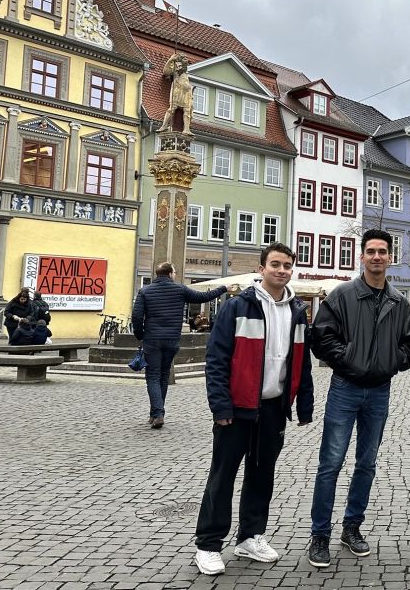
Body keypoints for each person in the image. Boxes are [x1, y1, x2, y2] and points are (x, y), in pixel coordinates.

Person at [193, 242, 315, 576]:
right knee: (223, 476)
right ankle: (208, 544)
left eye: (287, 265)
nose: (281, 270)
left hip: (273, 406)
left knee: (262, 475)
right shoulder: (237, 307)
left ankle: (250, 536)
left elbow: (301, 362)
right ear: (261, 269)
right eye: (275, 264)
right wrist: (220, 405)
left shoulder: (297, 311)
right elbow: (216, 360)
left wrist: (304, 404)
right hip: (237, 407)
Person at [307, 229, 410, 569]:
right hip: (344, 388)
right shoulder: (342, 295)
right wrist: (349, 359)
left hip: (379, 391)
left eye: (382, 252)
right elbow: (322, 336)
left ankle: (352, 527)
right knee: (330, 463)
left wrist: (392, 361)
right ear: (361, 256)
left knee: (367, 464)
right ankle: (320, 535)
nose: (376, 257)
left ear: (390, 257)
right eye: (370, 251)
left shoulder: (399, 302)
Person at [131, 262, 227, 429]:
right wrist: (223, 288)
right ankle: (156, 413)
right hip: (172, 340)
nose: (175, 274)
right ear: (169, 274)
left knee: (152, 376)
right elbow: (203, 297)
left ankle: (158, 413)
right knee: (163, 375)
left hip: (152, 340)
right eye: (174, 272)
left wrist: (140, 335)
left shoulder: (145, 291)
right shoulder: (180, 290)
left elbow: (137, 317)